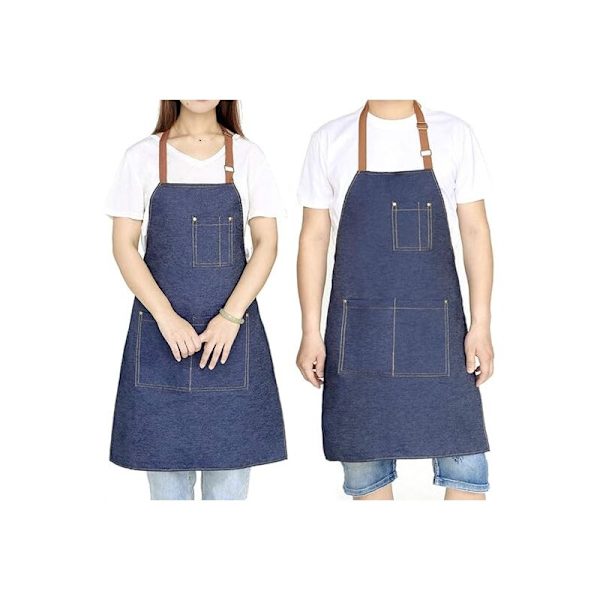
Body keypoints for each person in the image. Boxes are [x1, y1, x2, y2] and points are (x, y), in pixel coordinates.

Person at [296, 99, 493, 500]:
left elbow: (475, 231)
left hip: (438, 335)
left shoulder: (454, 133)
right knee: (366, 473)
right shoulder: (329, 139)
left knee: (467, 470)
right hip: (359, 336)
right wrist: (310, 332)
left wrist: (482, 323)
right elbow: (313, 239)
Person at [106, 100, 287, 500]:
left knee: (228, 495)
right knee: (167, 494)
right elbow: (124, 246)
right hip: (160, 344)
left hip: (231, 345)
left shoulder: (248, 156)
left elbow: (267, 244)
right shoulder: (141, 157)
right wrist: (166, 317)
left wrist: (230, 317)